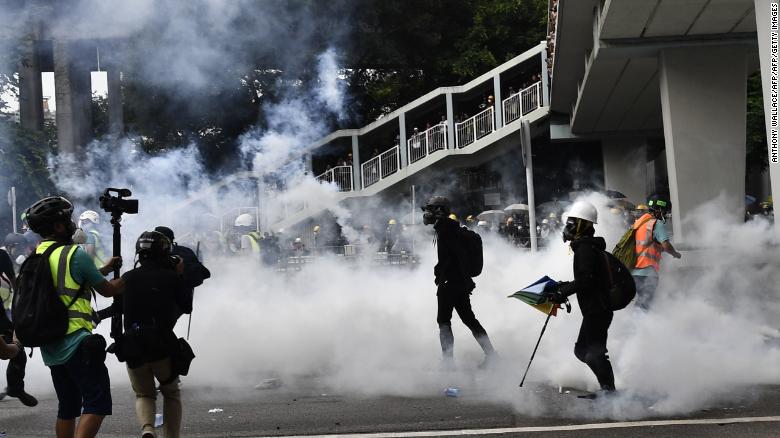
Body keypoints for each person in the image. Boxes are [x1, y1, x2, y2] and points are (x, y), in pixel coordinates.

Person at [24, 196, 123, 438]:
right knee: (96, 403)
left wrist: (103, 270)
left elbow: (66, 280)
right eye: (67, 220)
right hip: (77, 341)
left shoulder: (38, 255)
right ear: (58, 226)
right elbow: (108, 290)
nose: (71, 224)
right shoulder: (74, 254)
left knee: (67, 407)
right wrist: (134, 277)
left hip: (51, 344)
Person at [121, 231, 190, 438]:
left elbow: (119, 307)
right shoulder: (171, 277)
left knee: (144, 393)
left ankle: (148, 429)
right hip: (161, 344)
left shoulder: (128, 277)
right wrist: (179, 275)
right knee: (171, 392)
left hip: (132, 344)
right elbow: (187, 306)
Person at [546, 201, 616, 397]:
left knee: (592, 352)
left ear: (582, 225)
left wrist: (562, 292)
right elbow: (587, 278)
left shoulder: (585, 249)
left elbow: (586, 280)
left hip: (597, 309)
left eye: (571, 223)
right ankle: (608, 390)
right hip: (597, 309)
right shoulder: (587, 247)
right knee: (585, 350)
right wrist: (564, 286)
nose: (567, 227)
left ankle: (609, 393)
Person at [422, 196, 496, 369]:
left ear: (440, 211)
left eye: (431, 209)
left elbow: (457, 257)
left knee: (444, 322)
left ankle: (448, 363)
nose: (427, 213)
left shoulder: (446, 230)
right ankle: (492, 356)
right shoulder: (450, 228)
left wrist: (444, 273)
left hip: (449, 284)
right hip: (459, 283)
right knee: (470, 320)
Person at [0, 238, 37, 406]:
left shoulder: (1, 256)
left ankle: (15, 387)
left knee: (18, 354)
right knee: (15, 351)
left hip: (2, 316)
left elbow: (15, 284)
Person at [631, 195, 682, 310]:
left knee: (643, 301)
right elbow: (666, 245)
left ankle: (636, 324)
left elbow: (645, 245)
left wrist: (659, 249)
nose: (665, 215)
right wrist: (675, 254)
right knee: (645, 303)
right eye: (665, 212)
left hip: (634, 271)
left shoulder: (639, 222)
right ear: (659, 210)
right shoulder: (656, 224)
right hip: (648, 272)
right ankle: (637, 325)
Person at [155, 226, 211, 320]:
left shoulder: (158, 252)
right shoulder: (186, 250)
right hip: (181, 300)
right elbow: (205, 273)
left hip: (167, 299)